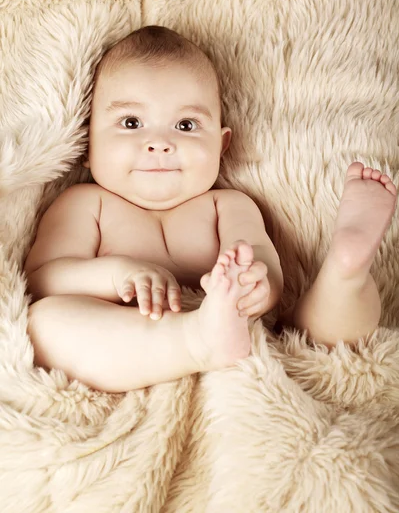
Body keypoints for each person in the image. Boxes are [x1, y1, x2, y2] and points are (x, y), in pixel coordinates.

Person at [23, 26, 397, 393]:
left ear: (221, 145)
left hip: (244, 334)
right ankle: (195, 339)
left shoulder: (227, 204)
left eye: (186, 125)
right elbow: (43, 278)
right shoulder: (86, 204)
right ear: (88, 145)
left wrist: (255, 285)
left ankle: (345, 272)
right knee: (43, 325)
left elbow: (265, 266)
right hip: (131, 339)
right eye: (131, 123)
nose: (159, 143)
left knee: (317, 328)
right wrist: (118, 274)